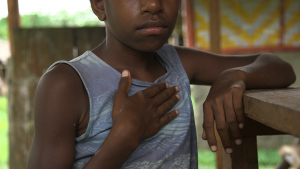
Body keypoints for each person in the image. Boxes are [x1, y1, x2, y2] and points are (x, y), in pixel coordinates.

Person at [27, 0, 296, 168]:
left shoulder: (178, 62)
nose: (154, 5)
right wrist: (124, 137)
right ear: (99, 5)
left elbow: (278, 68)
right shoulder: (66, 84)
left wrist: (235, 76)